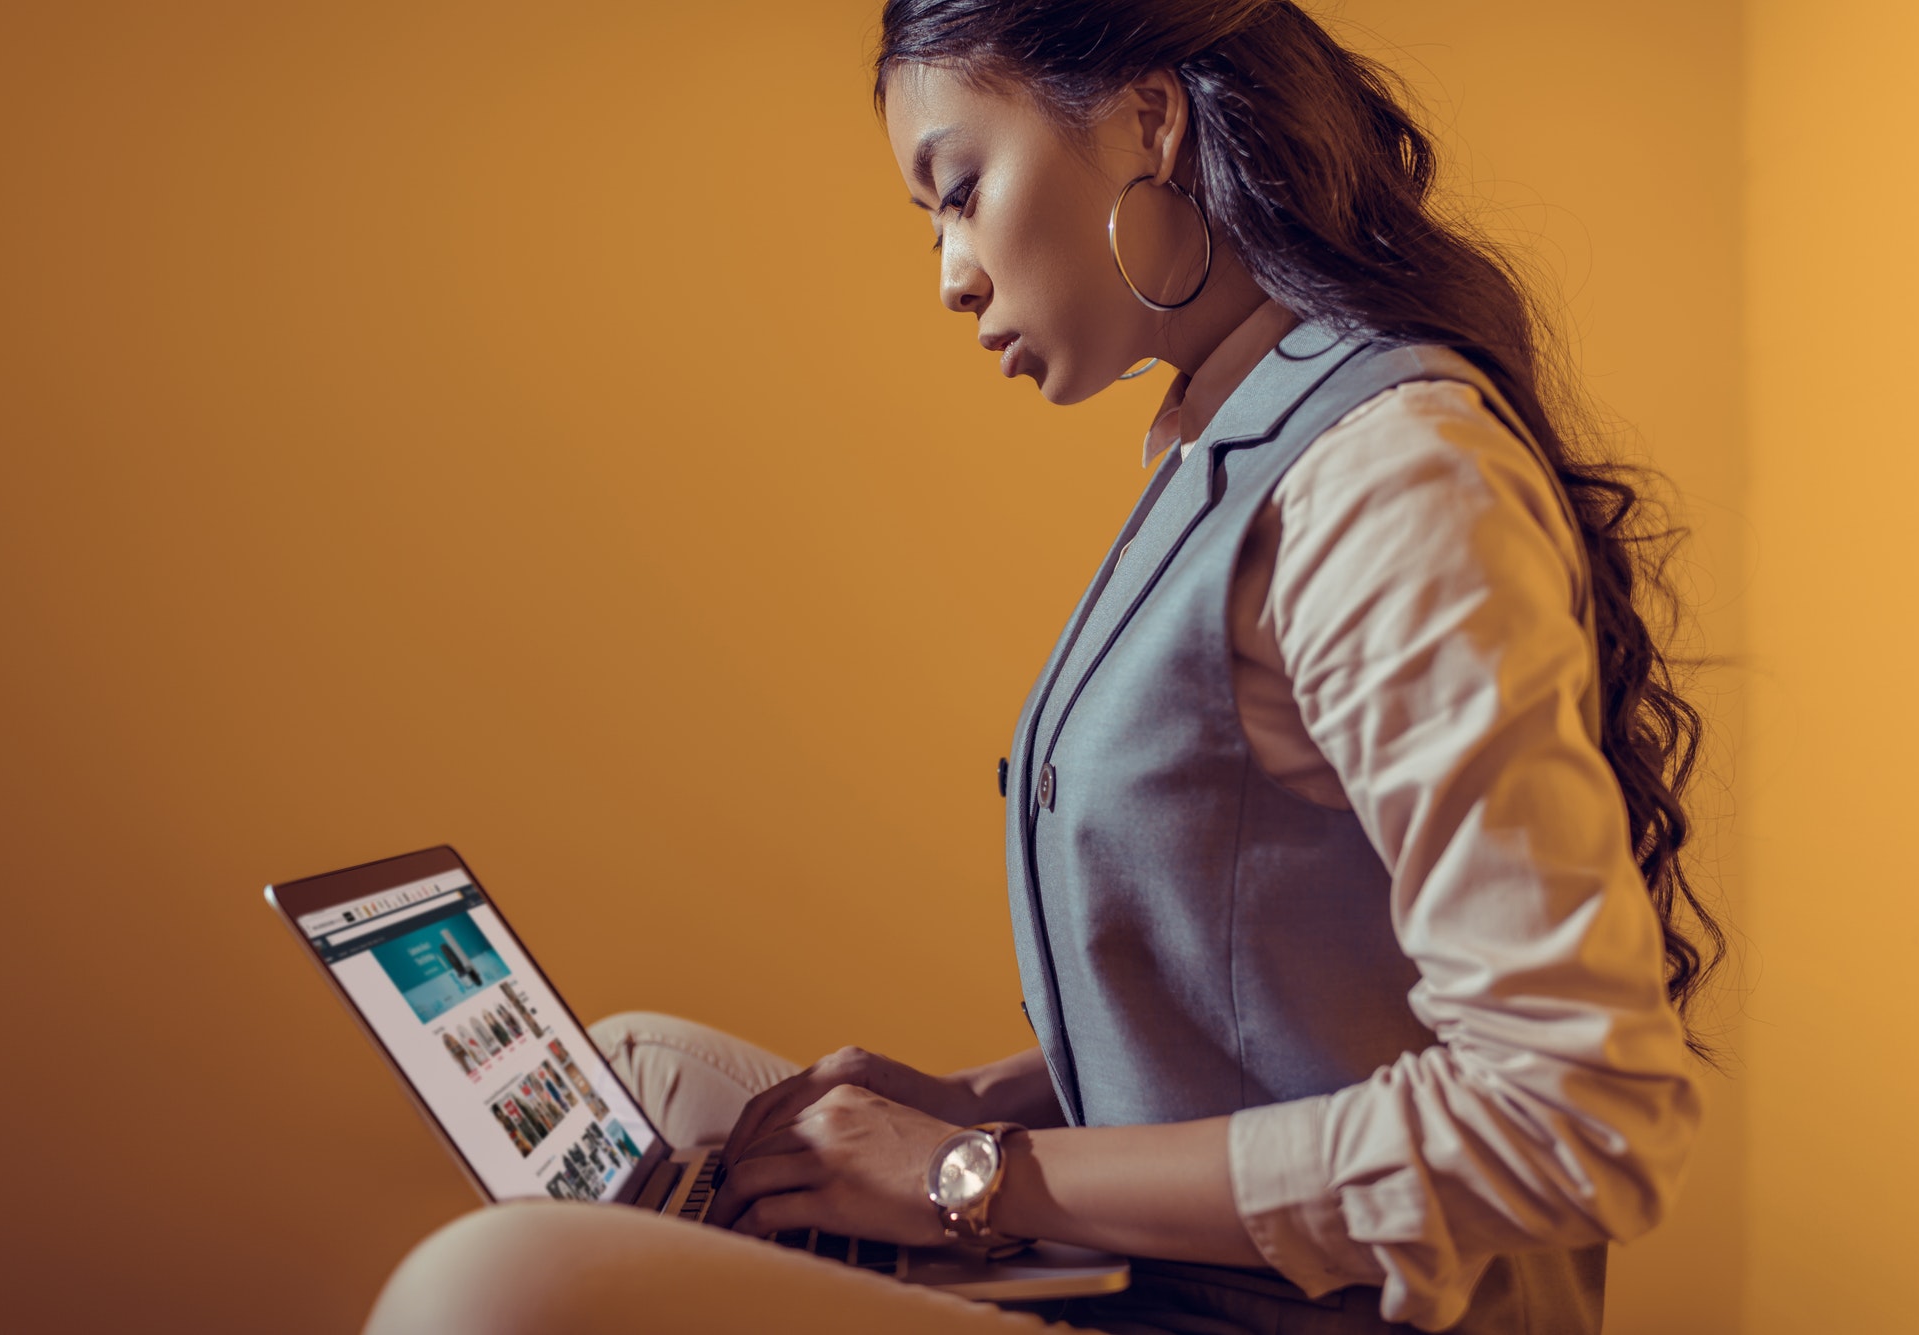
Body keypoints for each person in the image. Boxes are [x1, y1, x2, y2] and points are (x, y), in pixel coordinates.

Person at [361, 2, 1724, 1331]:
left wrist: (972, 1180)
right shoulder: (1233, 438)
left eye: (958, 190)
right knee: (649, 1073)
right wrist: (980, 1106)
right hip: (1154, 1274)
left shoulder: (1389, 480)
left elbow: (1572, 1112)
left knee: (486, 1291)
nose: (950, 272)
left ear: (1148, 122)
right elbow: (1266, 1011)